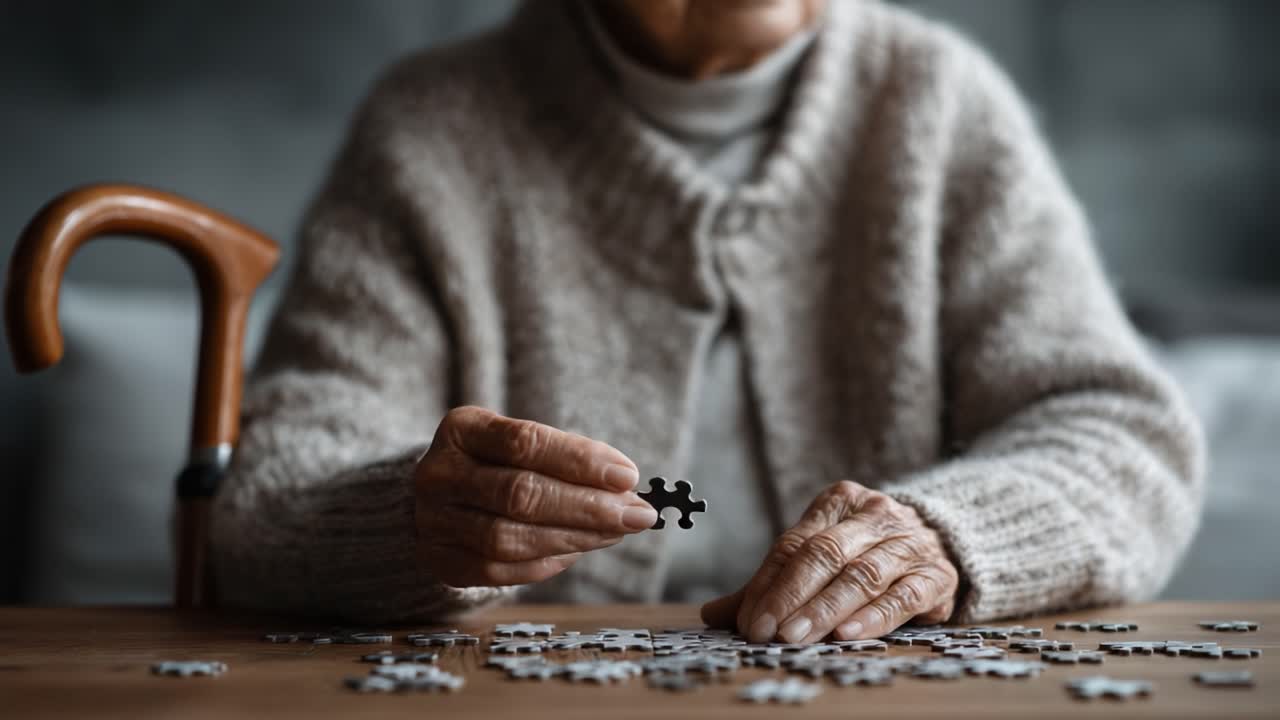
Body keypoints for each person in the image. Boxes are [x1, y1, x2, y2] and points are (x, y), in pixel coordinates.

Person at [211, 0, 1205, 644]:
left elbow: (1119, 435)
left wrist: (944, 538)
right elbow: (270, 495)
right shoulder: (427, 127)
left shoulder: (939, 104)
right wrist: (414, 521)